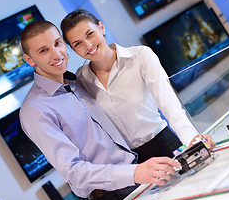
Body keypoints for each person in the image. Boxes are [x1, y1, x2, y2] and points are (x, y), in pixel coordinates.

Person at [19, 20, 181, 200]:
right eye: (43, 50)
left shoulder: (76, 82)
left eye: (57, 43)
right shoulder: (34, 110)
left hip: (140, 177)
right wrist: (135, 173)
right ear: (29, 60)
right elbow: (74, 172)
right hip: (113, 195)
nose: (56, 54)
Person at [60, 9, 216, 164]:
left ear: (101, 27)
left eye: (90, 34)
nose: (88, 45)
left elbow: (170, 105)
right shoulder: (81, 80)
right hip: (129, 164)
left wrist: (192, 141)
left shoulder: (140, 56)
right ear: (73, 49)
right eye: (78, 43)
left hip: (165, 144)